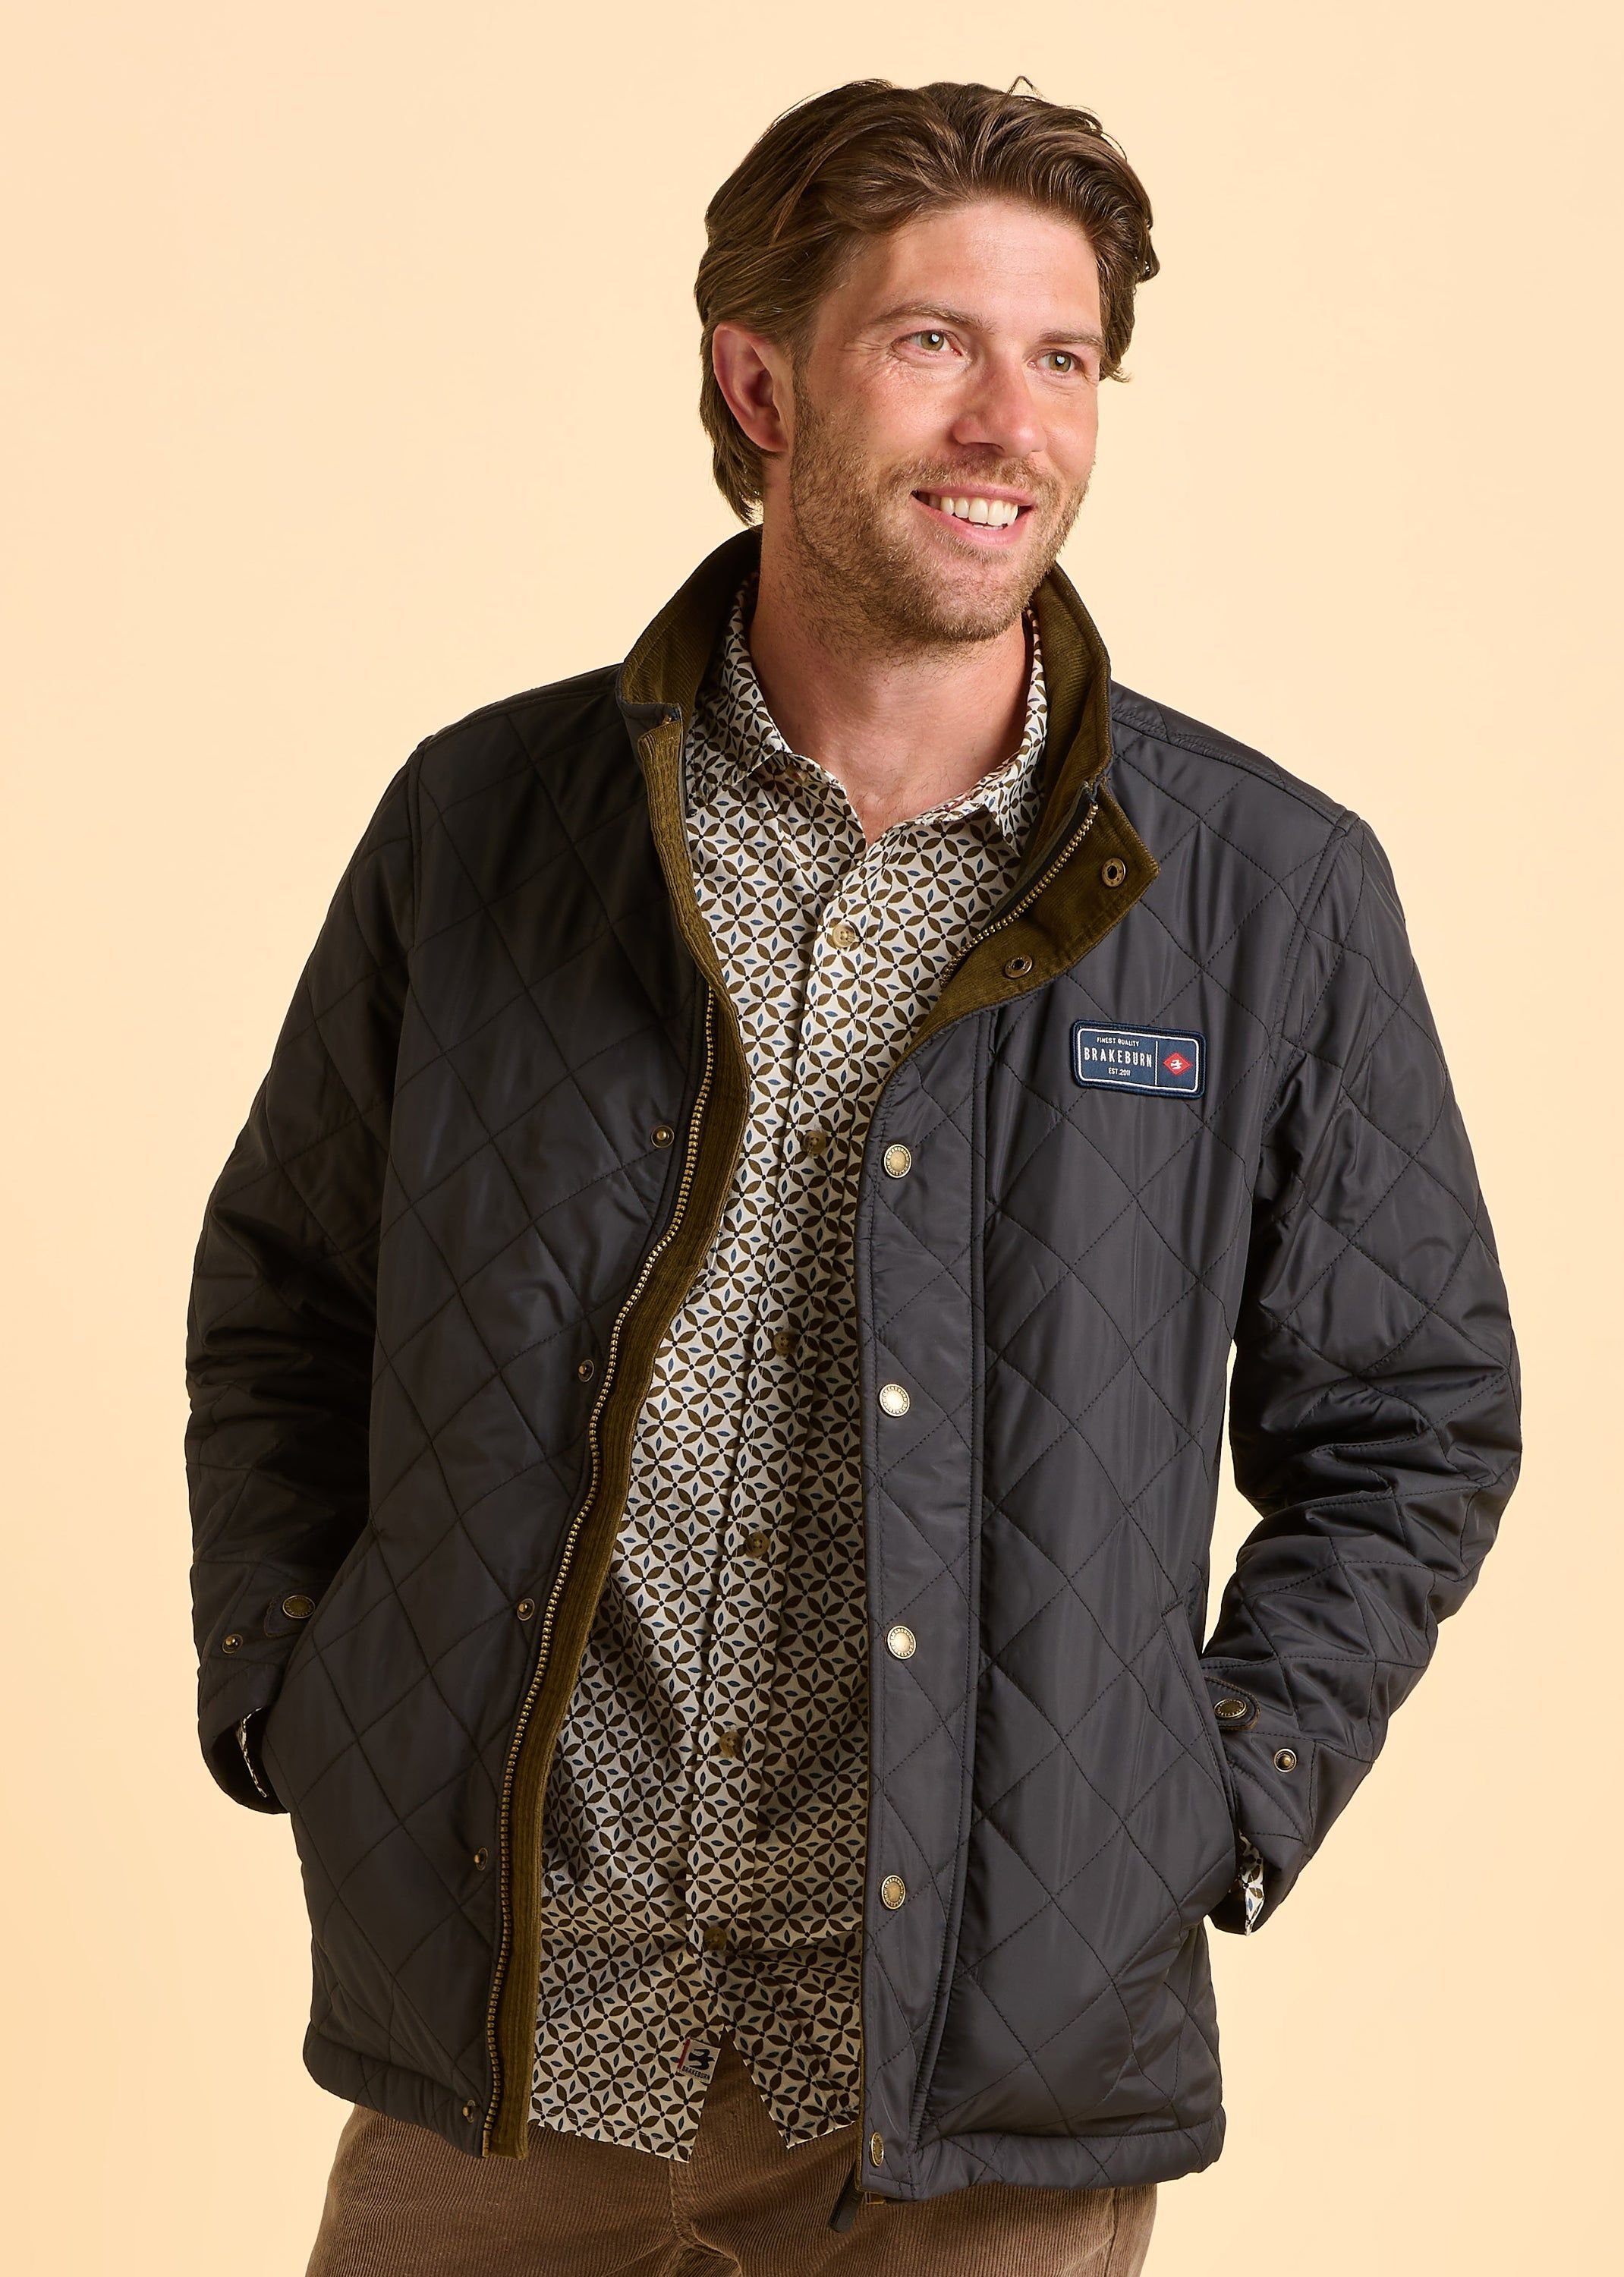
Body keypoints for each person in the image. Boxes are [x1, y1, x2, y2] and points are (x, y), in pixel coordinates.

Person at [184, 76, 1522, 2277]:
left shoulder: (1262, 892)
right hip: (520, 2033)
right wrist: (292, 1686)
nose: (1010, 421)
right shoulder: (484, 824)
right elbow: (290, 1295)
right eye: (932, 342)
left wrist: (1210, 1797)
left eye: (1063, 357)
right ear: (759, 382)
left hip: (985, 2085)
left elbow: (1413, 1412)